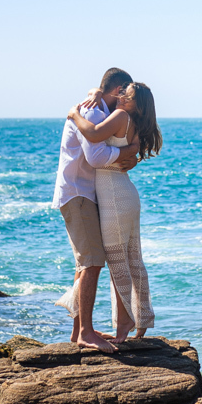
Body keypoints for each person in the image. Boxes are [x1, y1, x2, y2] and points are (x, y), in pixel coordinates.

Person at [52, 68, 140, 353]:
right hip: (78, 194)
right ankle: (85, 332)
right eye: (125, 94)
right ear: (117, 91)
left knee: (84, 262)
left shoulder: (96, 107)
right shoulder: (90, 112)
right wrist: (127, 153)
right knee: (92, 262)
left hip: (83, 194)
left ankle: (79, 329)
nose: (126, 100)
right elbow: (96, 155)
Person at [67, 81, 162, 342]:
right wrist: (94, 93)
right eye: (120, 93)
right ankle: (140, 320)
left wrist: (75, 114)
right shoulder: (132, 121)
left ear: (134, 102)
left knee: (118, 263)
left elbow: (95, 134)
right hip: (124, 195)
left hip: (115, 199)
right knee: (132, 261)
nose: (120, 98)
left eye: (125, 95)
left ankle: (125, 322)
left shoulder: (120, 116)